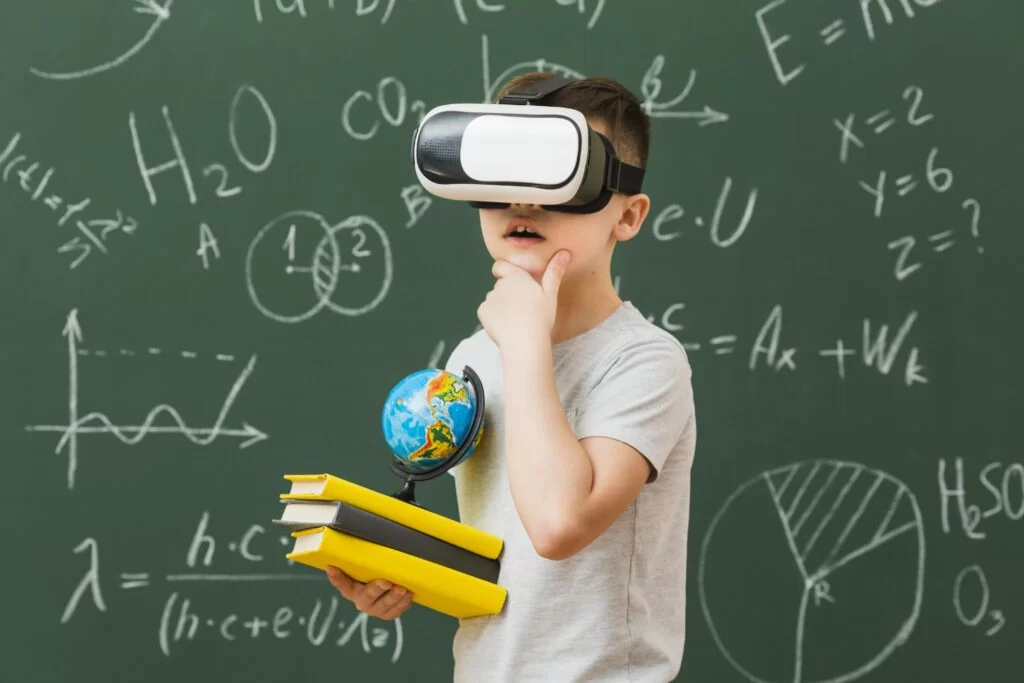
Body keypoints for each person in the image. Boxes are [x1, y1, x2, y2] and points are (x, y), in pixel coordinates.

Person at [327, 72, 697, 682]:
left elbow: (558, 526)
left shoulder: (644, 361)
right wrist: (402, 575)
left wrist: (527, 345)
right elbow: (506, 558)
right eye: (503, 177)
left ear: (627, 217)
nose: (523, 202)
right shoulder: (474, 356)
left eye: (559, 178)